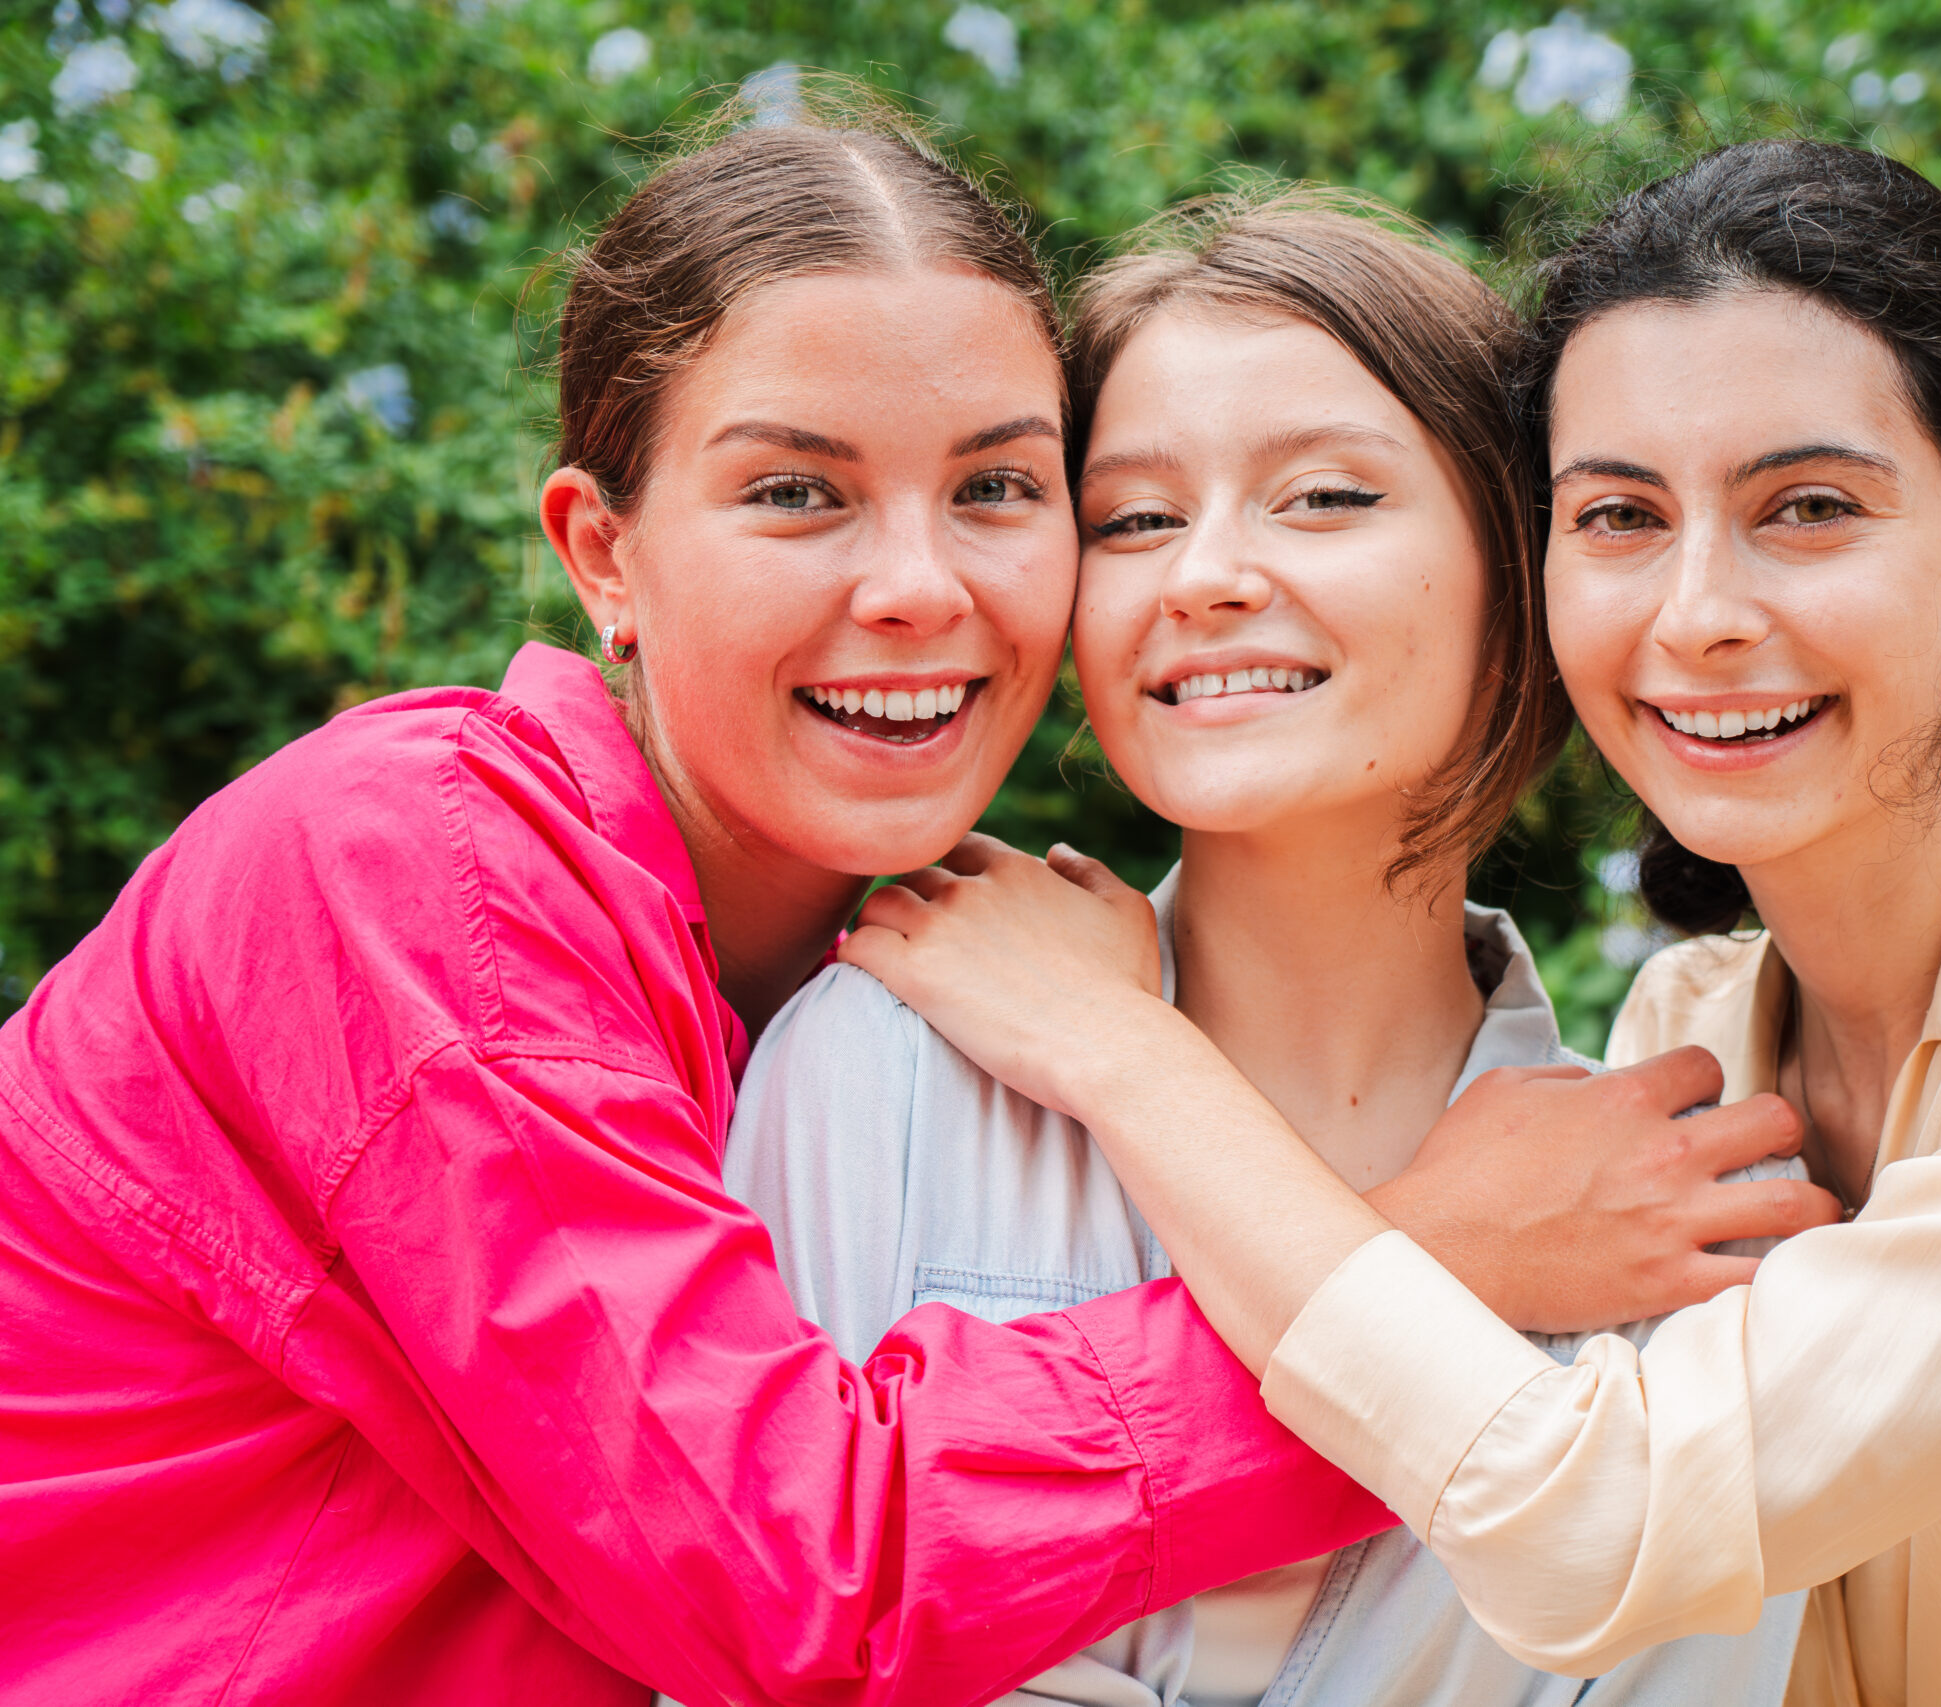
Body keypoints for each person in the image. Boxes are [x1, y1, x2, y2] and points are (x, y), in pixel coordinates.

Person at [0, 104, 1811, 1706]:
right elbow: (788, 1581)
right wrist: (1424, 1269)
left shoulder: (857, 970)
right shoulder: (419, 878)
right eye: (797, 494)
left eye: (1003, 491)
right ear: (602, 553)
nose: (918, 589)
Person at [837, 141, 1941, 1706]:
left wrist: (1126, 1057)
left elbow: (1600, 1521)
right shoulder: (1681, 1061)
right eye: (1620, 519)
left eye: (1808, 508)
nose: (1702, 612)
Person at [719, 193, 1825, 1707]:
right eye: (1135, 519)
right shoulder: (888, 1058)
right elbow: (745, 1640)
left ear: (1525, 561)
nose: (1206, 576)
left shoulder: (1684, 1228)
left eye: (1322, 499)